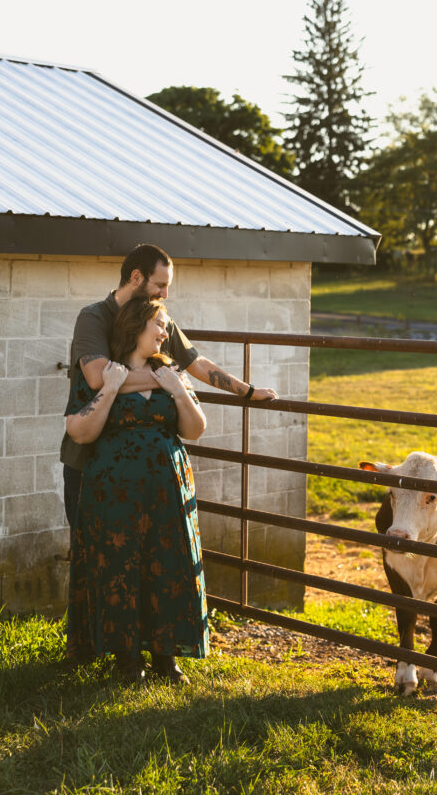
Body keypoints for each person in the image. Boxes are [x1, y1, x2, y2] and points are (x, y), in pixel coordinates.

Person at [60, 243, 277, 532]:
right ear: (136, 277)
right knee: (92, 551)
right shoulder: (94, 317)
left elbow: (195, 363)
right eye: (160, 285)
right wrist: (165, 378)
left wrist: (246, 391)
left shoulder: (158, 320)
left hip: (142, 472)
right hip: (88, 461)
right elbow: (99, 378)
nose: (165, 294)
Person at [65, 296, 209, 683]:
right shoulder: (102, 373)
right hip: (113, 492)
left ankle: (166, 655)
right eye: (159, 325)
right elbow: (79, 431)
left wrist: (178, 391)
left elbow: (195, 429)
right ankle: (127, 658)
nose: (166, 333)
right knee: (120, 567)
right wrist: (110, 389)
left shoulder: (171, 372)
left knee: (168, 565)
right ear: (136, 325)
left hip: (167, 490)